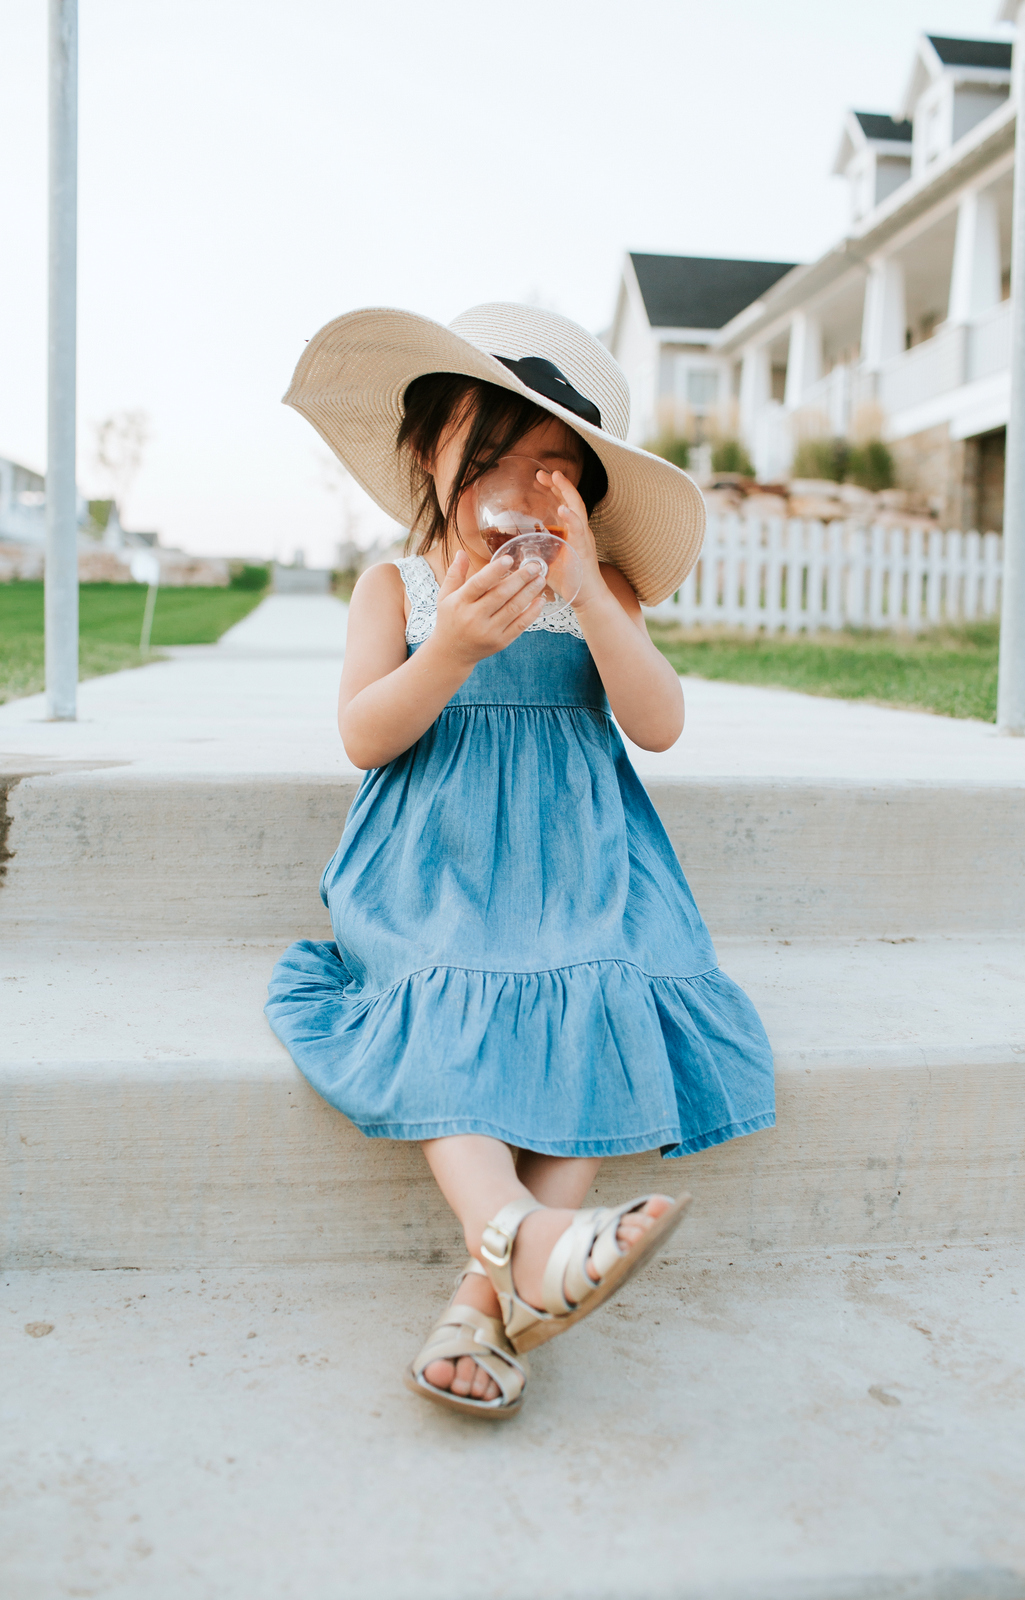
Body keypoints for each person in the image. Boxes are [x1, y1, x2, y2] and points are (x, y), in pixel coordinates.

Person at [266, 303, 775, 1418]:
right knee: (444, 1000)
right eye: (492, 456)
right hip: (433, 863)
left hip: (580, 860)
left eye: (554, 466)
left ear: (586, 495)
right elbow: (364, 734)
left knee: (596, 997)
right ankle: (525, 1243)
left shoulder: (604, 591)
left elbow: (658, 723)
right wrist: (447, 649)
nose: (521, 484)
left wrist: (590, 593)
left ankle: (484, 1290)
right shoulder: (395, 589)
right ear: (428, 459)